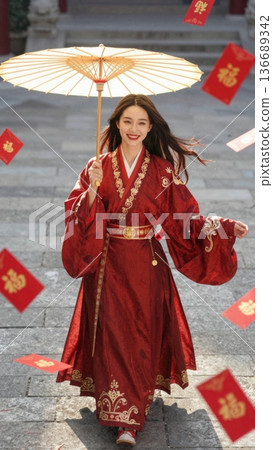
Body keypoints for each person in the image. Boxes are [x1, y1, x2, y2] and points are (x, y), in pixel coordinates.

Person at [56, 94, 248, 446]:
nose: (134, 128)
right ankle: (125, 421)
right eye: (127, 121)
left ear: (150, 128)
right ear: (116, 124)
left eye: (141, 123)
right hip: (108, 266)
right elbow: (76, 216)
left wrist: (221, 227)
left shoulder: (161, 171)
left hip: (147, 264)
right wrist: (92, 191)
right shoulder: (96, 167)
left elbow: (184, 219)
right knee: (114, 334)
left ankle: (134, 401)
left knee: (140, 335)